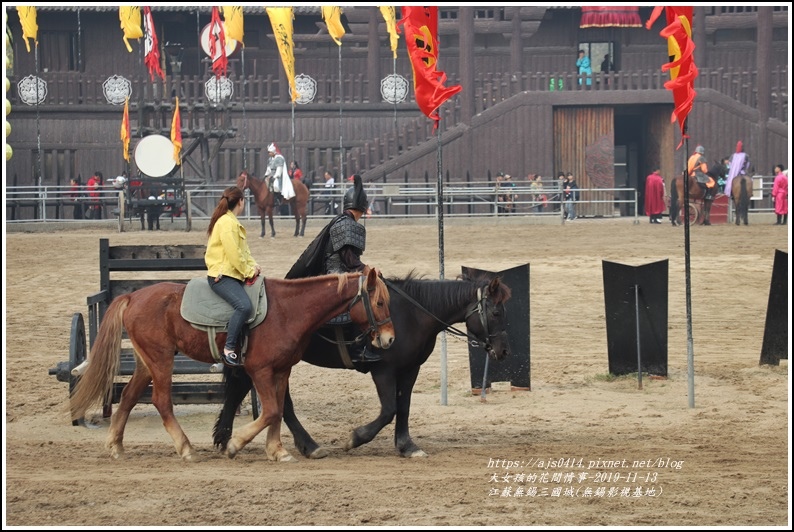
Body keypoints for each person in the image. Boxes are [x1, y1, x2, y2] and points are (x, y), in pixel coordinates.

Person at [285, 174, 380, 363]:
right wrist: (366, 269)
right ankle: (357, 351)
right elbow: (348, 258)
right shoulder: (346, 225)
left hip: (341, 273)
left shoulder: (342, 221)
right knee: (360, 302)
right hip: (336, 276)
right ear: (362, 206)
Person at [205, 186, 262, 367]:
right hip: (222, 276)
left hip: (231, 274)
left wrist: (253, 265)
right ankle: (228, 350)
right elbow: (233, 254)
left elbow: (243, 251)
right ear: (241, 201)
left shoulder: (231, 222)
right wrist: (248, 271)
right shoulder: (227, 224)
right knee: (244, 306)